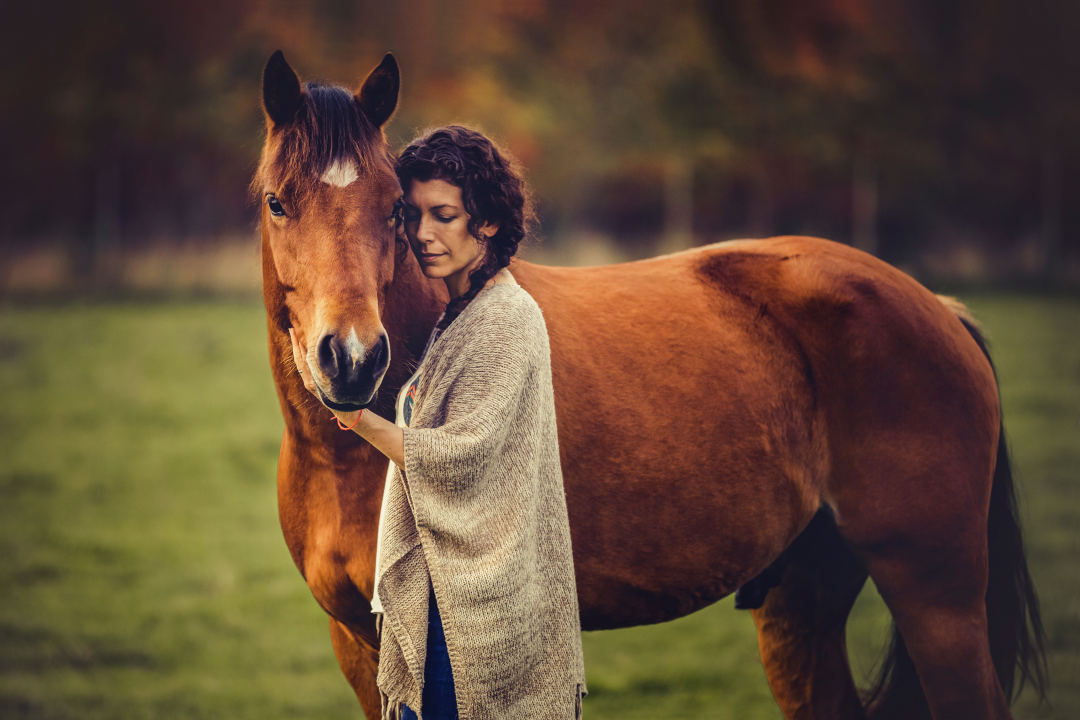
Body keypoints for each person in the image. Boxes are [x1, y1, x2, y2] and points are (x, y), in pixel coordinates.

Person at [290, 125, 586, 719]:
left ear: (489, 224)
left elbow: (461, 457)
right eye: (413, 215)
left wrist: (351, 415)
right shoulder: (460, 314)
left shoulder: (507, 318)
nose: (422, 235)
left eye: (444, 216)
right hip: (445, 598)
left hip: (474, 620)